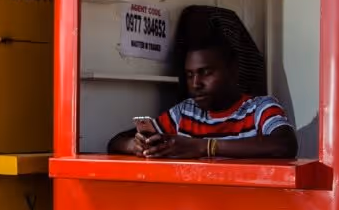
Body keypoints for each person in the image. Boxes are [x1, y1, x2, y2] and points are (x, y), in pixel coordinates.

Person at [108, 42, 297, 160]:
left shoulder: (260, 108)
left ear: (232, 71)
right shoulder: (184, 113)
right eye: (190, 75)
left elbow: (285, 145)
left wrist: (203, 147)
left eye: (205, 72)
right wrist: (136, 146)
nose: (195, 83)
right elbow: (115, 142)